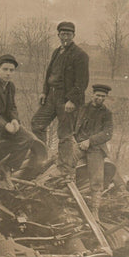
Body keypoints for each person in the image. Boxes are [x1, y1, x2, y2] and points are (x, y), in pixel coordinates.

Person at [31, 21, 89, 181]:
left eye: (68, 34)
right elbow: (49, 74)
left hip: (67, 100)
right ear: (58, 35)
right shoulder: (57, 52)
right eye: (62, 34)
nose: (65, 37)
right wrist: (44, 91)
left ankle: (64, 169)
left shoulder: (80, 55)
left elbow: (82, 82)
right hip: (51, 97)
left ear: (73, 36)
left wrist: (72, 100)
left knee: (64, 134)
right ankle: (41, 158)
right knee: (37, 123)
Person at [74, 84, 113, 218]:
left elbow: (108, 133)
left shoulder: (107, 114)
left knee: (97, 179)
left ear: (106, 97)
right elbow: (74, 125)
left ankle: (94, 211)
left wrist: (90, 141)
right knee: (63, 160)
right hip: (79, 144)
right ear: (92, 95)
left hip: (95, 148)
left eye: (103, 96)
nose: (100, 98)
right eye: (98, 95)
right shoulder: (83, 108)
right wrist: (74, 140)